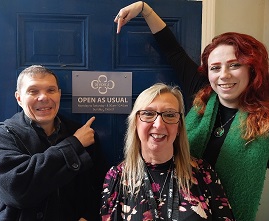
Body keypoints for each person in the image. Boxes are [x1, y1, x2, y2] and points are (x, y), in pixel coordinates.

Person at [113, 2, 269, 221]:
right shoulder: (201, 93)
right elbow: (172, 50)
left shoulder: (264, 123)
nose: (223, 75)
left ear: (252, 68)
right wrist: (143, 8)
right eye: (215, 67)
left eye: (234, 65)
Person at [0, 65, 108, 221]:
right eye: (33, 91)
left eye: (51, 90)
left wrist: (89, 216)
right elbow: (16, 192)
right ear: (19, 98)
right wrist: (74, 144)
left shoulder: (83, 133)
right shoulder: (4, 135)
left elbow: (101, 186)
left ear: (59, 94)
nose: (43, 97)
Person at [100, 83, 235, 220]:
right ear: (136, 123)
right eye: (148, 113)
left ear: (179, 126)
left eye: (170, 115)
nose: (158, 125)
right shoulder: (117, 177)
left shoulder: (203, 173)